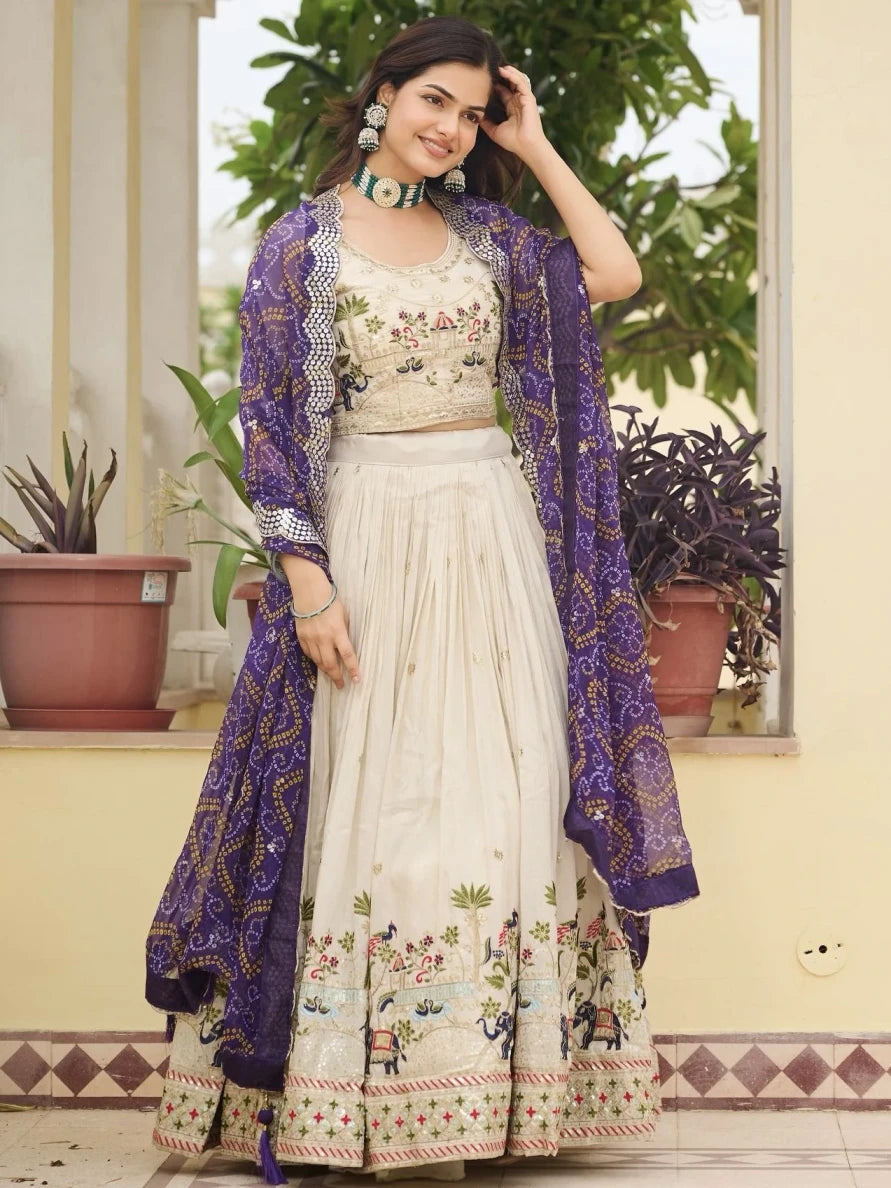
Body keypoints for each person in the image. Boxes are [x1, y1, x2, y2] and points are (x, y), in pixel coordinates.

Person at [146, 15, 699, 1183]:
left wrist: (536, 144)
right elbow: (270, 426)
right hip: (369, 536)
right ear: (381, 98)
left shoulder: (494, 237)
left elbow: (613, 271)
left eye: (470, 110)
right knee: (376, 808)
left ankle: (488, 1096)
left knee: (509, 794)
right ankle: (365, 1098)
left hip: (489, 537)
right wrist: (306, 582)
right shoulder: (300, 247)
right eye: (431, 101)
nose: (449, 129)